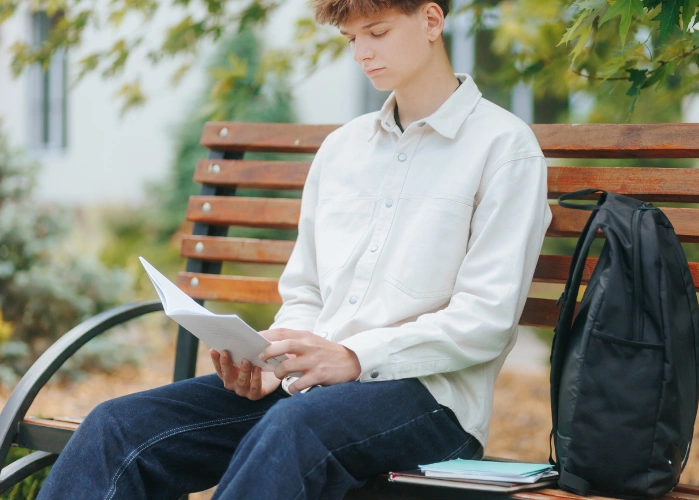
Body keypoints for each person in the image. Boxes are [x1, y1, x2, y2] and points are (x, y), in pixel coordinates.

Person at [36, 0, 552, 498]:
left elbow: (486, 318)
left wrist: (353, 356)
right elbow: (305, 288)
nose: (362, 54)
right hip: (309, 391)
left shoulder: (503, 147)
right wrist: (276, 356)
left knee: (293, 428)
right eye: (352, 39)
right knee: (118, 427)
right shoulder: (343, 150)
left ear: (432, 20)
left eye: (377, 32)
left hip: (431, 400)